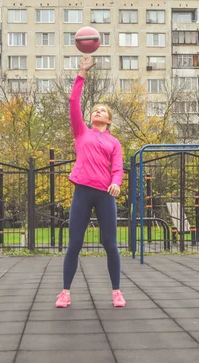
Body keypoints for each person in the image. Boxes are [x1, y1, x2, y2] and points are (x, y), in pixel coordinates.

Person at [55, 57, 126, 308]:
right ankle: (65, 292)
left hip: (105, 195)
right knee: (74, 243)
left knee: (110, 243)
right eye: (95, 109)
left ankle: (116, 292)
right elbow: (74, 102)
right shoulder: (81, 132)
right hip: (83, 192)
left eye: (103, 110)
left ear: (108, 120)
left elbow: (118, 168)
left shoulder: (114, 143)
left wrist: (116, 182)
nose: (97, 111)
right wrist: (81, 73)